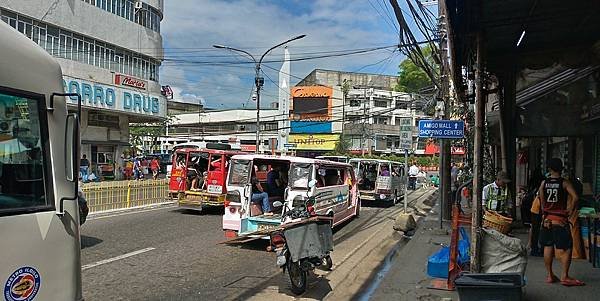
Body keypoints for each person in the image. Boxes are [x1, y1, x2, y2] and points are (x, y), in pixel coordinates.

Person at [538, 158, 584, 286]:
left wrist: (545, 212)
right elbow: (575, 197)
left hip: (547, 220)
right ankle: (565, 276)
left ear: (550, 169)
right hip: (560, 220)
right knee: (567, 248)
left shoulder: (544, 183)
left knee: (548, 246)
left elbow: (541, 201)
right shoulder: (564, 183)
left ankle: (549, 275)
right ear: (561, 168)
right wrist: (570, 210)